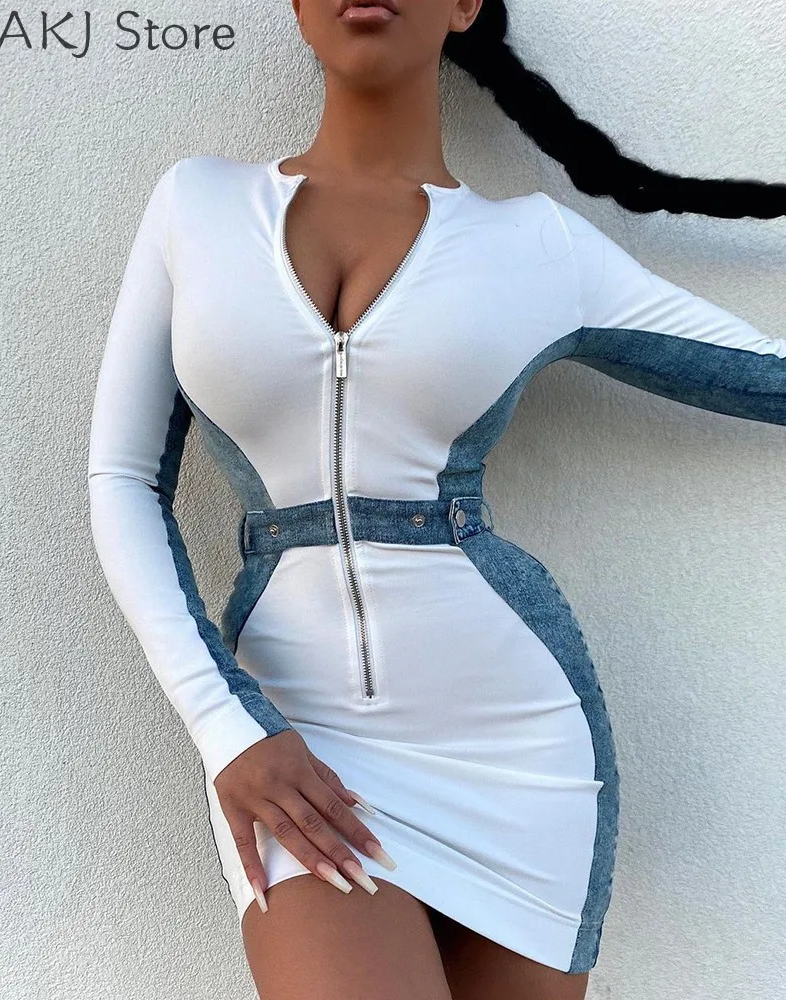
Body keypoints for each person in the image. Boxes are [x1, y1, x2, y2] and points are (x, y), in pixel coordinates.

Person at [86, 1, 786, 997]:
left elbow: (766, 376)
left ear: (465, 3)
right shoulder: (194, 205)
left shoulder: (536, 244)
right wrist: (227, 726)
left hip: (518, 749)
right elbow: (123, 479)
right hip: (288, 732)